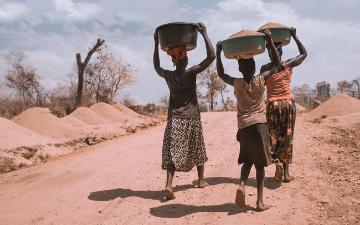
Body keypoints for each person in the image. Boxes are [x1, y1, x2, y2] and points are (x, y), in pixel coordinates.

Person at [216, 30, 280, 211]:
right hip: (259, 125)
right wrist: (269, 41)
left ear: (239, 69)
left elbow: (220, 74)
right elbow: (277, 63)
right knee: (260, 165)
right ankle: (259, 202)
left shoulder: (236, 82)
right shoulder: (261, 79)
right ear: (253, 67)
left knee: (247, 160)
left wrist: (219, 52)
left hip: (243, 127)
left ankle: (242, 185)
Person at [153, 23, 215, 200]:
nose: (187, 57)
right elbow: (211, 56)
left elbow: (156, 65)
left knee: (173, 152)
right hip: (192, 118)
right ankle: (201, 180)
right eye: (185, 54)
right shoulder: (191, 73)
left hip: (175, 119)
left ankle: (169, 185)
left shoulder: (169, 75)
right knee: (198, 149)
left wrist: (156, 44)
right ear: (183, 59)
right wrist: (204, 33)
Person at [260, 27, 307, 183]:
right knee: (287, 137)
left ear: (270, 51)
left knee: (273, 137)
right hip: (288, 104)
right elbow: (304, 54)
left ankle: (278, 162)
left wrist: (268, 41)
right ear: (281, 51)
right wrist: (294, 35)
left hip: (273, 105)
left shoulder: (265, 69)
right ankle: (286, 174)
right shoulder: (288, 64)